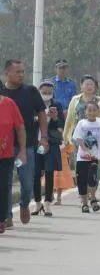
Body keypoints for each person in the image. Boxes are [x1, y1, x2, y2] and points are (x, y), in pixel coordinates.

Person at [1, 60, 48, 226]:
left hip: (25, 146)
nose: (21, 75)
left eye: (22, 72)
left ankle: (24, 204)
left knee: (27, 181)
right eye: (17, 72)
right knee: (4, 183)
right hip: (4, 146)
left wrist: (43, 137)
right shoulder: (2, 92)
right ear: (7, 73)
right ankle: (6, 217)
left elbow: (42, 113)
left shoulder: (30, 91)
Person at [32, 81, 64, 217]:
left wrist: (55, 117)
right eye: (44, 92)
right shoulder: (33, 104)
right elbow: (27, 121)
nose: (46, 95)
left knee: (49, 172)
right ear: (39, 91)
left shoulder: (57, 105)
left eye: (49, 92)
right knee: (36, 173)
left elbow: (61, 126)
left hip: (50, 144)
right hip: (36, 143)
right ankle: (37, 202)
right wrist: (39, 117)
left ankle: (47, 203)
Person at [72, 100, 100, 213]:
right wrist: (85, 149)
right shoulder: (81, 123)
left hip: (95, 157)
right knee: (82, 180)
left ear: (98, 111)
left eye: (94, 110)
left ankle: (93, 198)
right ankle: (84, 203)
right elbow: (78, 139)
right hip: (82, 157)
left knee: (92, 179)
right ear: (85, 112)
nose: (92, 112)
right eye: (89, 110)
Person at [0, 92, 26, 233]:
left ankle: (1, 219)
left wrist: (22, 150)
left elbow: (20, 127)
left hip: (5, 155)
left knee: (3, 187)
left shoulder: (9, 104)